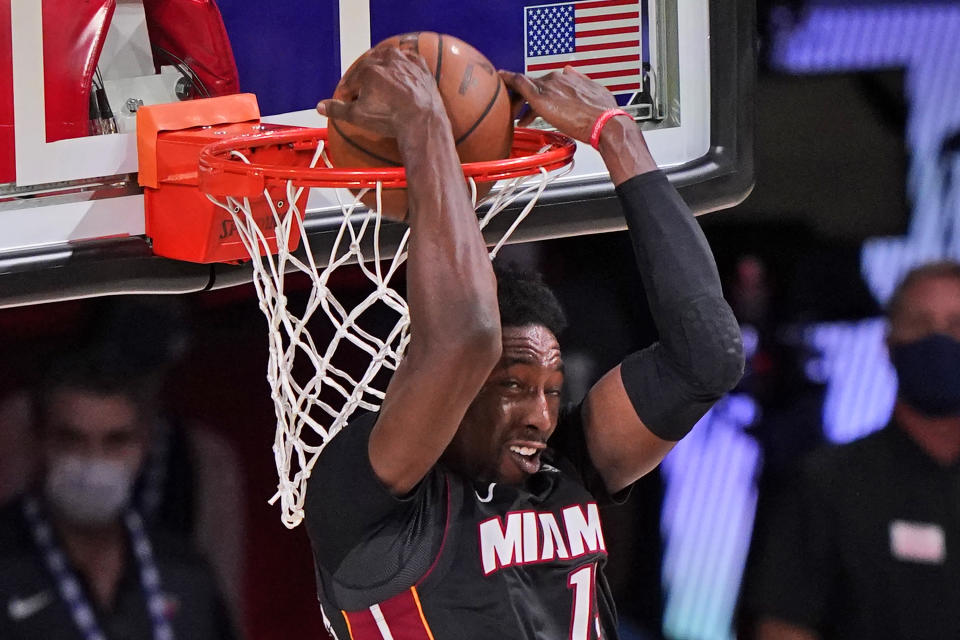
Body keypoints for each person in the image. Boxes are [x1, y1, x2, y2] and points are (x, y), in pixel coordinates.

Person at [304, 45, 744, 639]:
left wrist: (615, 134)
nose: (542, 415)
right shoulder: (365, 495)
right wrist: (426, 125)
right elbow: (461, 338)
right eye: (513, 385)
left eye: (552, 390)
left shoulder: (563, 465)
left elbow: (708, 355)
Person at [742, 260, 960, 640]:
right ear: (888, 343)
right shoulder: (827, 483)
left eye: (957, 326)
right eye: (922, 325)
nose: (940, 341)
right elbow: (783, 627)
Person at [0, 351, 237, 640]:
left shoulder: (184, 570)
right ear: (38, 440)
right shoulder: (6, 563)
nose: (93, 459)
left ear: (144, 445)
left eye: (116, 440)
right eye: (71, 439)